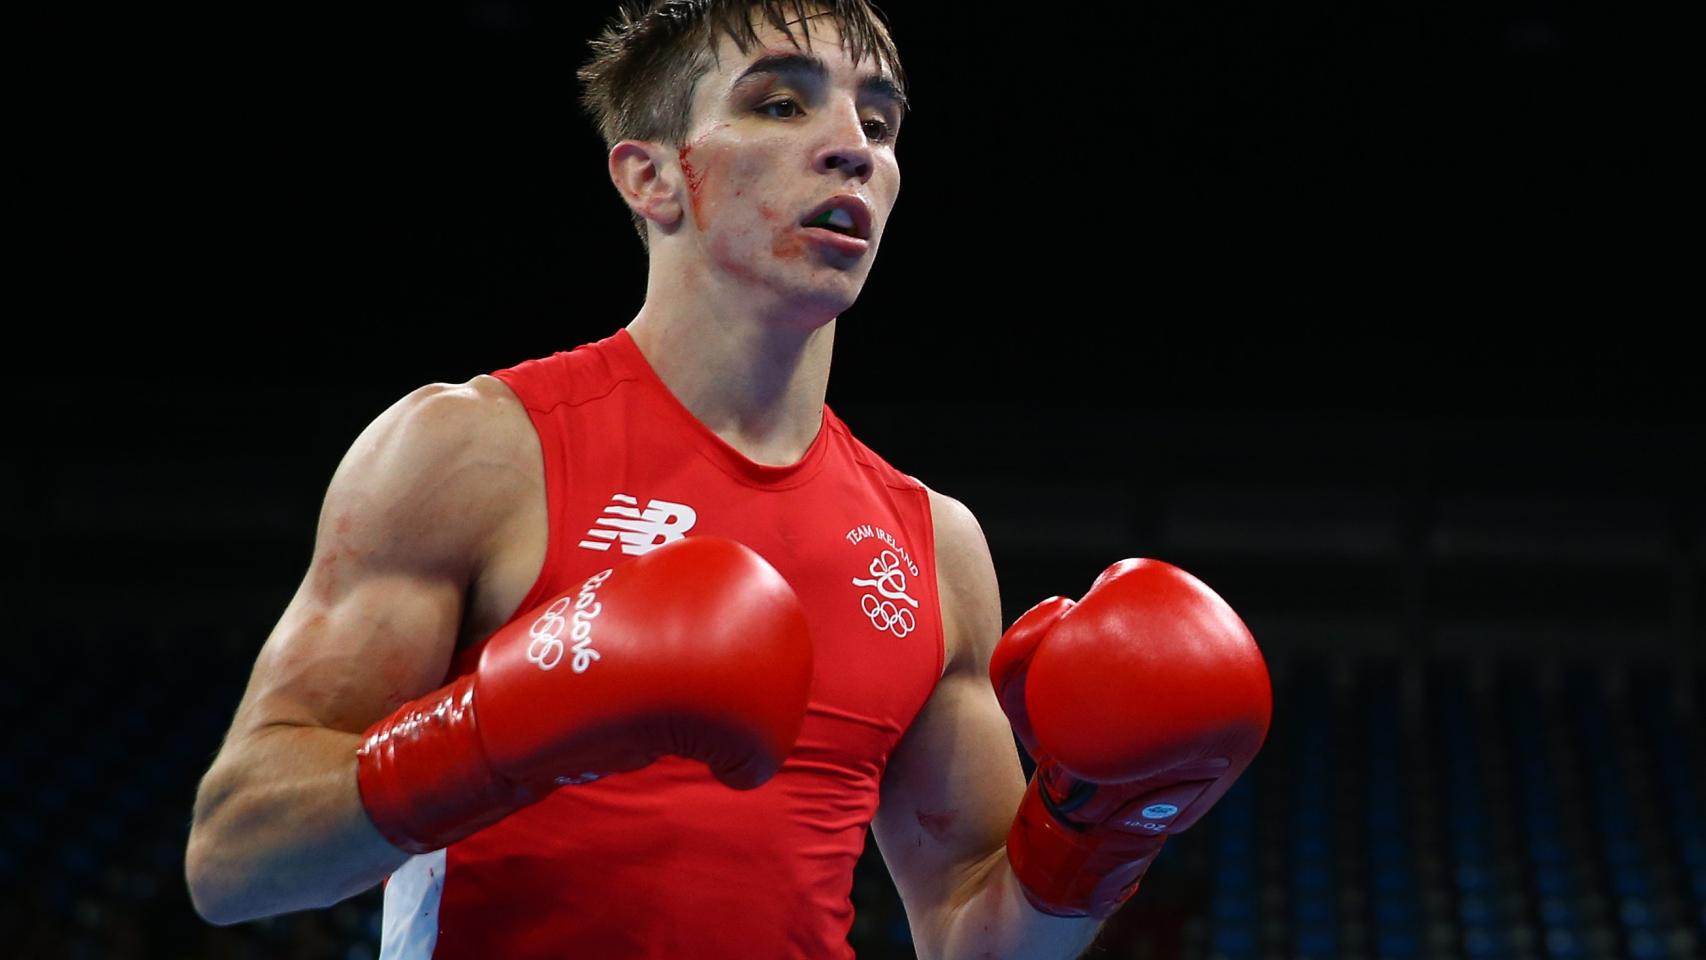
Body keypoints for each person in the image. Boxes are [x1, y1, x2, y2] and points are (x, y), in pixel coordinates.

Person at [184, 2, 1273, 957]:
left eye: (879, 122)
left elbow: (970, 935)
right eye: (780, 104)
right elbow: (233, 863)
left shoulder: (930, 545)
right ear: (652, 174)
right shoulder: (479, 452)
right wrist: (505, 721)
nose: (851, 148)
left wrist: (1097, 827)